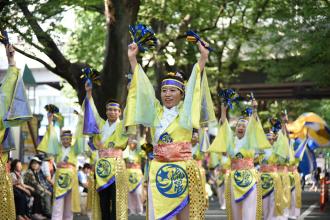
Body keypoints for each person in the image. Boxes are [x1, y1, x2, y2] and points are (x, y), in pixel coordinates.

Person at [126, 40, 215, 219]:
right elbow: (142, 88)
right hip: (159, 170)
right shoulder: (155, 111)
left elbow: (195, 84)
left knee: (185, 215)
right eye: (164, 90)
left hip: (183, 169)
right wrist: (132, 60)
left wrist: (203, 57)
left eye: (173, 90)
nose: (167, 94)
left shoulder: (187, 112)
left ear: (182, 95)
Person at [208, 101, 270, 220]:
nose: (240, 127)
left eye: (244, 126)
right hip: (234, 179)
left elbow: (254, 125)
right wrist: (223, 110)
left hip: (250, 178)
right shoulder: (231, 142)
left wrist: (255, 109)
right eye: (238, 126)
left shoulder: (251, 141)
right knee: (236, 213)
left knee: (249, 211)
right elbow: (224, 128)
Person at [84, 84, 129, 220]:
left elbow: (130, 110)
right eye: (109, 110)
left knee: (116, 201)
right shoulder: (101, 125)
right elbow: (92, 112)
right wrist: (89, 93)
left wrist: (130, 91)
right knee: (103, 201)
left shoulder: (122, 125)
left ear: (120, 112)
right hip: (102, 167)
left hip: (117, 167)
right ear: (106, 112)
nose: (112, 112)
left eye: (115, 110)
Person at [37, 112, 84, 220]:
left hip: (71, 177)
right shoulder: (57, 148)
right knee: (58, 202)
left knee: (69, 203)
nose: (65, 141)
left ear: (71, 139)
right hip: (60, 178)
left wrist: (80, 121)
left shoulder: (74, 149)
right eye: (63, 139)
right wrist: (50, 122)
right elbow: (52, 136)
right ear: (61, 139)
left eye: (68, 139)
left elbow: (79, 136)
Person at [124, 139, 145, 215]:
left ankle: (140, 209)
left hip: (137, 174)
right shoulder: (126, 152)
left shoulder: (139, 152)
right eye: (131, 143)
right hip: (128, 173)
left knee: (138, 193)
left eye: (134, 143)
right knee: (129, 193)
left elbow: (144, 152)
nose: (132, 145)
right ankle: (132, 210)